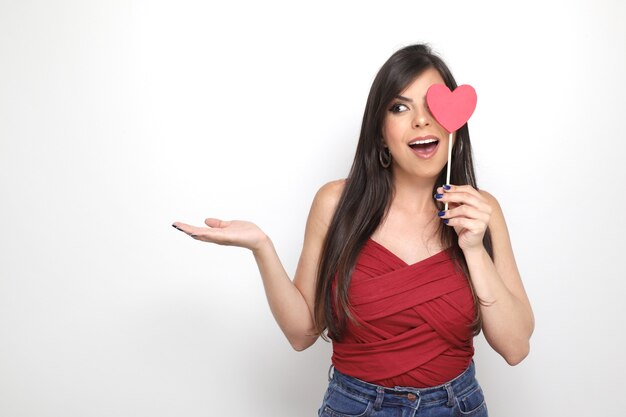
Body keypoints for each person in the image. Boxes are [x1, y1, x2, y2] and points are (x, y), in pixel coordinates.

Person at [172, 43, 534, 417]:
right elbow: (301, 334)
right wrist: (261, 246)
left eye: (432, 106)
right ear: (380, 133)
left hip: (457, 407)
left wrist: (474, 249)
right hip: (356, 408)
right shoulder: (335, 203)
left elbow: (516, 347)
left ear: (454, 124)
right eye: (400, 107)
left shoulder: (480, 210)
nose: (421, 120)